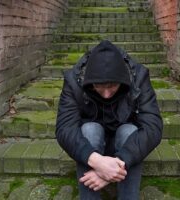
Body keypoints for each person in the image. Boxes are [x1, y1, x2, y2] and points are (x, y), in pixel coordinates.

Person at [56, 40, 163, 200]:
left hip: (125, 146)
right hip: (91, 146)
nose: (106, 94)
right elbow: (65, 128)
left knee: (129, 131)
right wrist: (97, 161)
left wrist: (116, 165)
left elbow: (153, 127)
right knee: (89, 129)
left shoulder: (138, 77)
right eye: (99, 86)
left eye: (112, 86)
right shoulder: (74, 81)